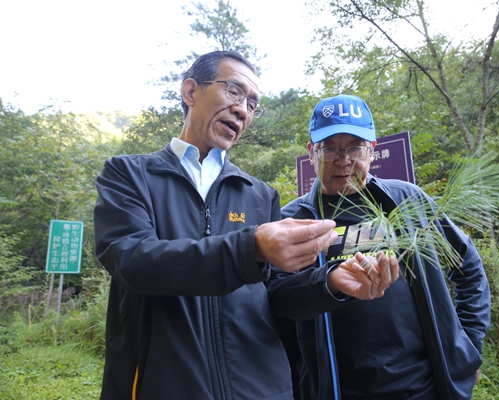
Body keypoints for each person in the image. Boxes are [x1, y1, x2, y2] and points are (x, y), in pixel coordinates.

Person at [93, 51, 386, 400]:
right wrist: (251, 248)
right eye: (233, 91)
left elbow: (276, 298)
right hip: (164, 386)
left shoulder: (259, 195)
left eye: (252, 103)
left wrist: (331, 283)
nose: (243, 110)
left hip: (261, 390)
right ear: (190, 91)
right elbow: (132, 261)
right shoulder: (129, 175)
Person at [267, 94, 491, 400]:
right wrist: (330, 282)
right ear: (311, 153)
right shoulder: (292, 221)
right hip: (337, 390)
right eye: (329, 148)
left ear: (372, 150)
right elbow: (276, 305)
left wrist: (468, 346)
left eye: (355, 148)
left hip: (426, 387)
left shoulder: (407, 200)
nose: (343, 160)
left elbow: (467, 266)